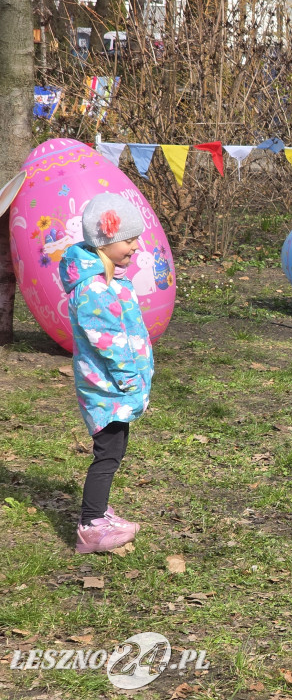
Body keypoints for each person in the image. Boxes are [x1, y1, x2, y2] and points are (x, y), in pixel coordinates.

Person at [58, 193, 154, 554]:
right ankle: (90, 525)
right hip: (108, 388)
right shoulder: (95, 289)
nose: (136, 245)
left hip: (116, 387)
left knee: (115, 449)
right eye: (129, 239)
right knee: (108, 454)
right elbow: (108, 341)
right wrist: (130, 378)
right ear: (105, 240)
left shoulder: (110, 280)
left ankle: (98, 511)